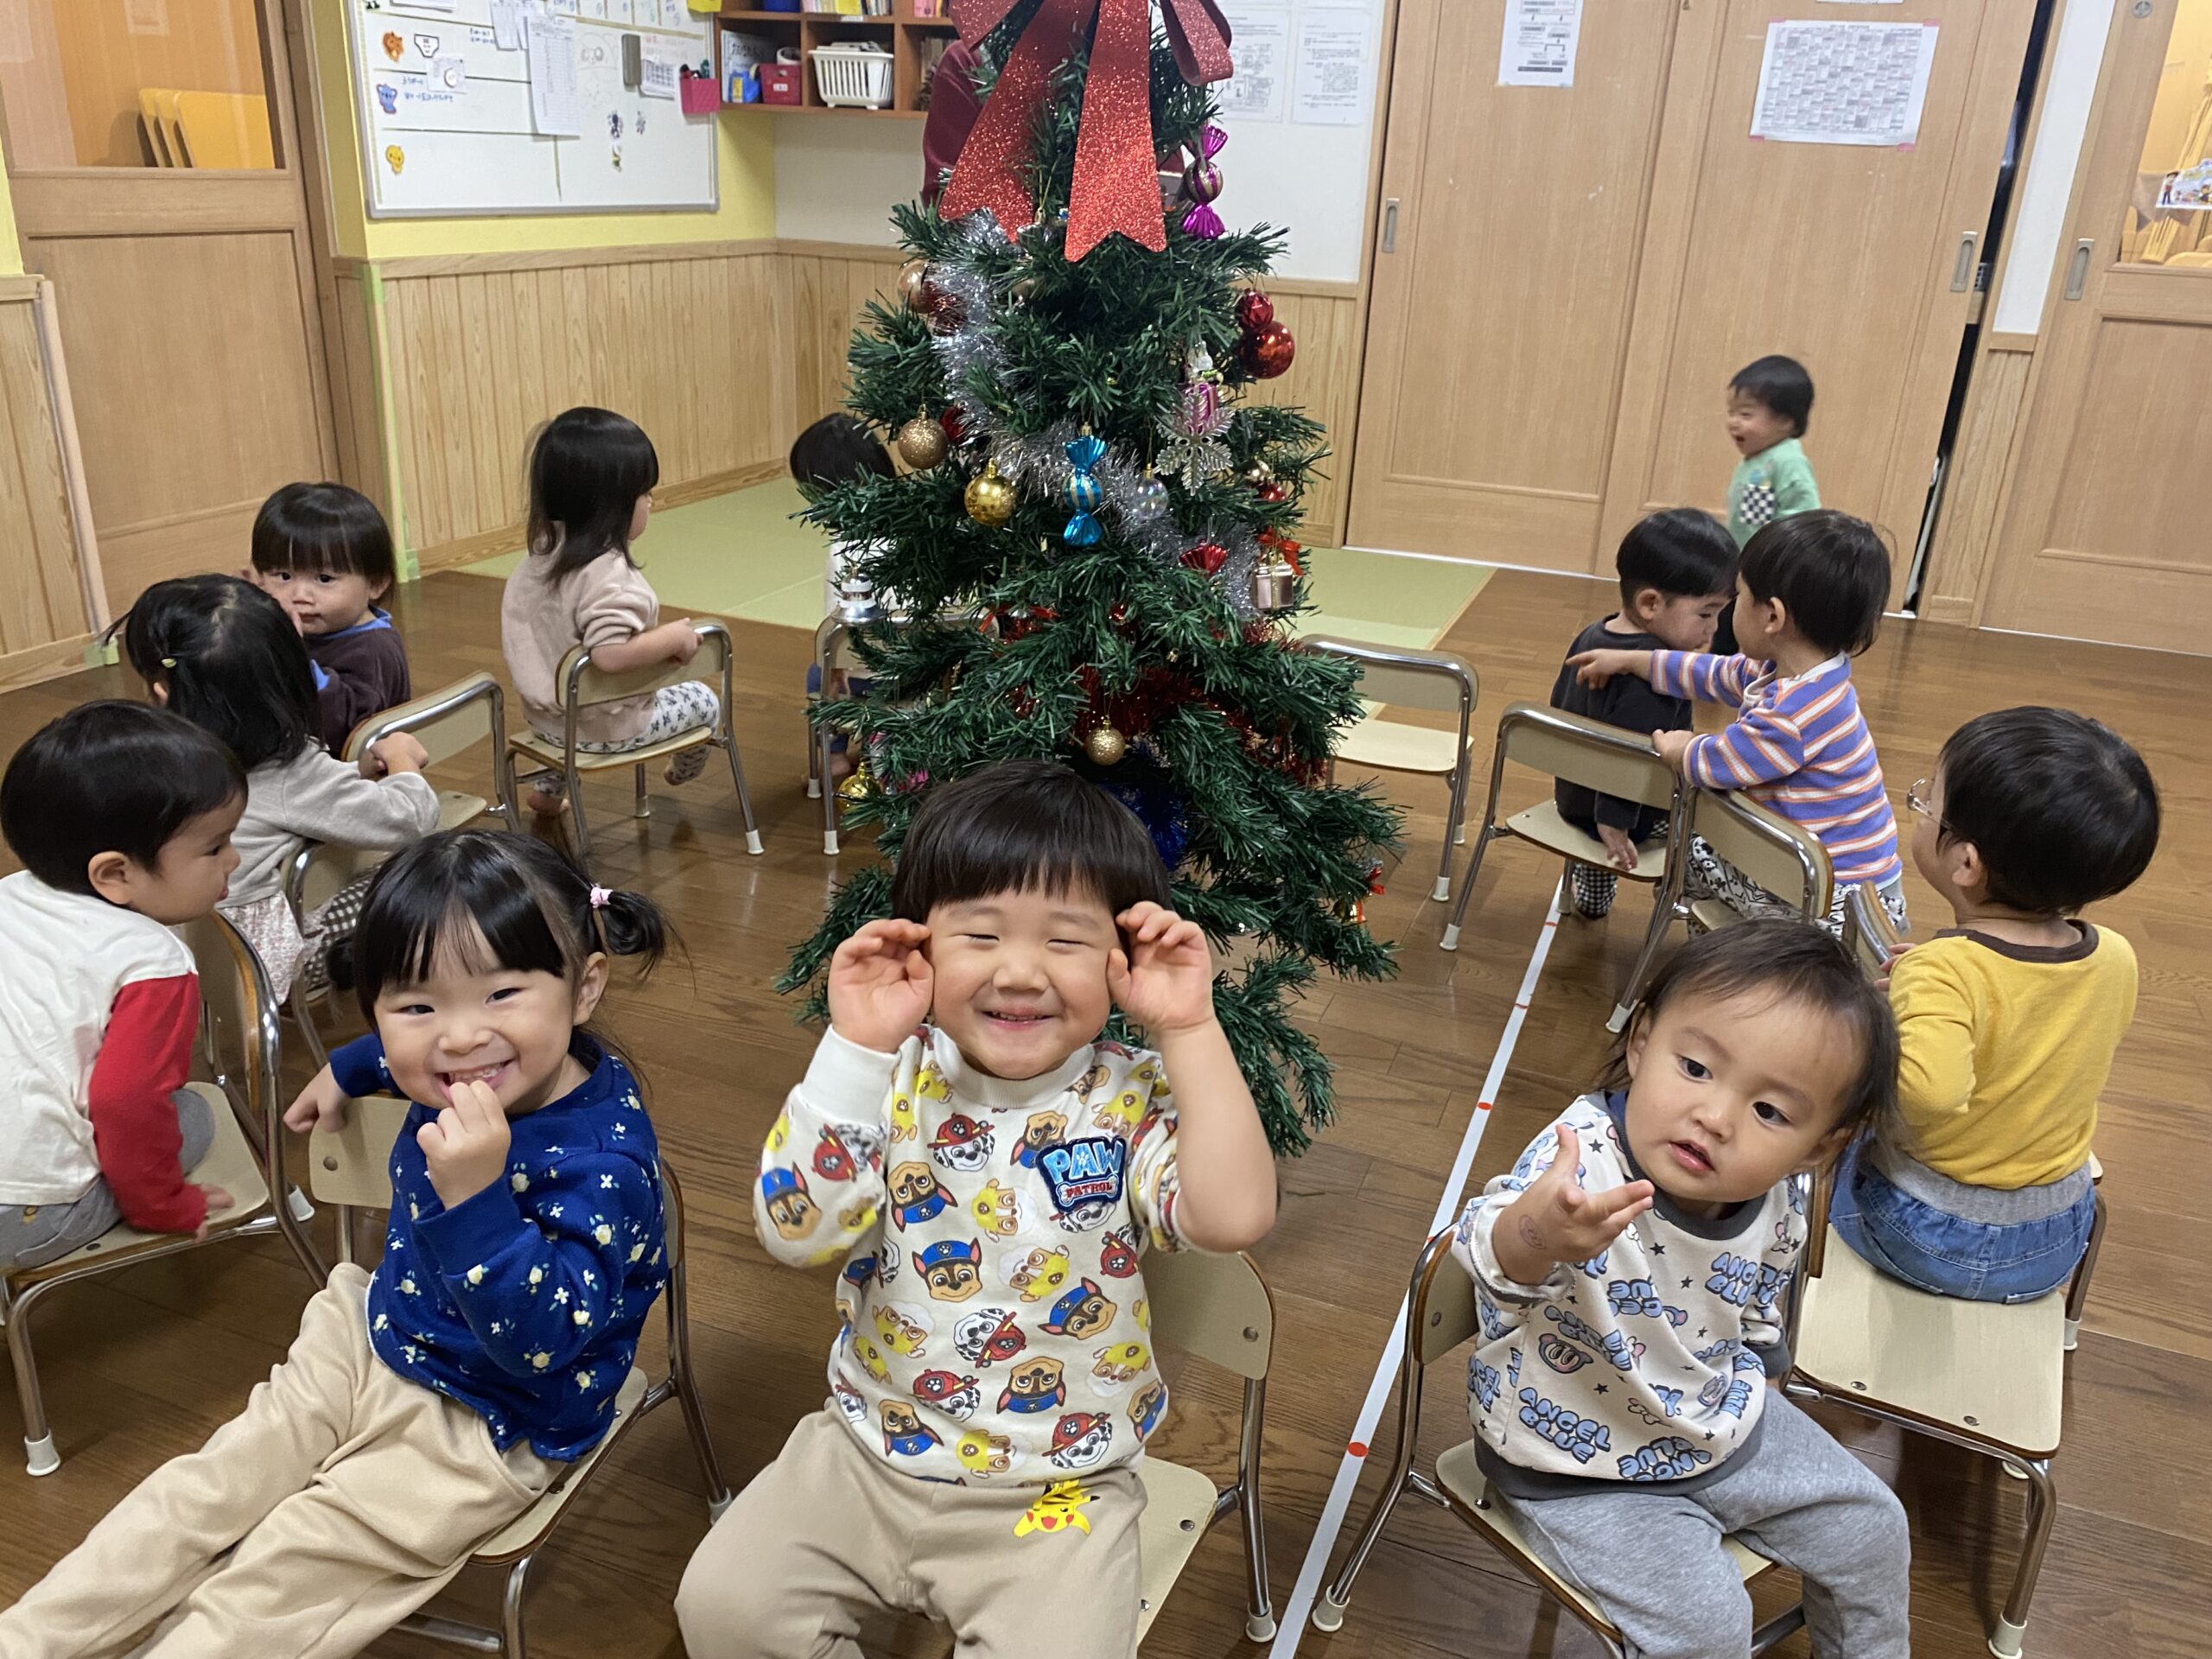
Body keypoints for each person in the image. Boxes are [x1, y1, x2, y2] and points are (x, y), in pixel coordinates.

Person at [0, 830, 673, 1657]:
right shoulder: (472, 1064)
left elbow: (543, 1344)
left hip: (497, 1416)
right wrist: (350, 1069)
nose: (460, 1039)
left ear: (585, 988)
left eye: (502, 994)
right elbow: (408, 1052)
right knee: (201, 1496)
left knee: (274, 1583)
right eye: (417, 1006)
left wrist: (478, 1201)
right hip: (377, 1330)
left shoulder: (604, 1165)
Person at [676, 760, 1278, 1659]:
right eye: (981, 934)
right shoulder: (887, 1076)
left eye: (1066, 941)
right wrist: (853, 1047)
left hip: (1060, 1488)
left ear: (1119, 959)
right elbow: (795, 1235)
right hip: (866, 1449)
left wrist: (1188, 1026)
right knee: (722, 1609)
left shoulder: (1130, 1098)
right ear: (921, 945)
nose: (1020, 972)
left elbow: (1233, 1217)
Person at [1452, 920, 1910, 1659]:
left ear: (1821, 1145)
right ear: (1641, 1043)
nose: (1716, 1118)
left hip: (1715, 1421)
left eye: (1770, 1111)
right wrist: (1540, 1233)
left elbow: (1758, 1310)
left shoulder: (1779, 1191)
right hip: (1580, 1466)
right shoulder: (1580, 1168)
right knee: (1709, 1630)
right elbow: (1488, 1250)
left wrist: (1765, 1383)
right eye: (1696, 1067)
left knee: (1876, 1529)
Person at [1832, 708, 2159, 1301]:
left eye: (1927, 802)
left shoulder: (1941, 970)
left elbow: (1927, 1098)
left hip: (1926, 1233)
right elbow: (2038, 1019)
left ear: (1966, 863)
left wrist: (1897, 1018)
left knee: (1812, 1147)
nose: (1919, 807)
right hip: (2054, 1236)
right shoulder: (2115, 955)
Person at [1567, 511, 1905, 936]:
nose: (1727, 615)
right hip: (1826, 874)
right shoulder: (1791, 672)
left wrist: (1681, 748)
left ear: (1772, 617)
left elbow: (1722, 762)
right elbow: (1712, 674)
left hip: (1831, 899)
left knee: (1691, 850)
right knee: (1701, 846)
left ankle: (1718, 954)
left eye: (1739, 596)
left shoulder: (1797, 713)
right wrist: (1637, 661)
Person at [0, 703, 244, 1272]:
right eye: (215, 847)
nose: (234, 859)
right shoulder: (154, 962)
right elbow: (123, 1103)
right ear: (114, 874)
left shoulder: (10, 894)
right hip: (25, 1214)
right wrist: (165, 1205)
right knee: (193, 1114)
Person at [120, 574, 439, 1002]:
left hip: (162, 954)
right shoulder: (287, 770)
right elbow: (411, 820)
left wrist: (354, 772)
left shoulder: (135, 757)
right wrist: (402, 761)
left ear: (161, 692)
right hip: (249, 970)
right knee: (411, 877)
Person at [501, 407, 716, 818]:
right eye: (644, 493)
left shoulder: (535, 561)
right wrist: (674, 638)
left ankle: (548, 792)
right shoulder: (609, 577)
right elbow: (610, 655)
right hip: (609, 731)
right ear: (612, 506)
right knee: (705, 700)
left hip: (546, 726)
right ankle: (681, 772)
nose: (650, 502)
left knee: (572, 688)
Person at [1549, 509, 1738, 919]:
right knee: (1720, 826)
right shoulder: (1652, 680)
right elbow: (1628, 760)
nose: (1714, 629)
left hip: (1573, 793)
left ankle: (1594, 883)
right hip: (1626, 813)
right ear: (1650, 604)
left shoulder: (1597, 634)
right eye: (1706, 614)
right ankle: (1678, 898)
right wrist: (1613, 823)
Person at [247, 481, 412, 754]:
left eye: (324, 579)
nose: (300, 595)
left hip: (348, 776)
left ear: (376, 584)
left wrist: (295, 657)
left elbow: (342, 736)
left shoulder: (374, 649)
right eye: (284, 576)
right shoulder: (301, 626)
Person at [791, 412, 898, 779]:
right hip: (926, 664)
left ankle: (835, 755)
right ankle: (881, 740)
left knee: (817, 675)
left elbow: (834, 631)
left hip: (871, 671)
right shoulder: (918, 529)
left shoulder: (845, 552)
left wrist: (835, 669)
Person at [1718, 355, 1819, 652]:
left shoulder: (1788, 462)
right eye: (1731, 412)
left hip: (1769, 574)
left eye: (1746, 414)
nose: (1734, 421)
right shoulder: (1755, 459)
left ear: (1786, 421)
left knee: (1752, 636)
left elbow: (1803, 520)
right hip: (1743, 568)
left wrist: (1780, 569)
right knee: (1727, 628)